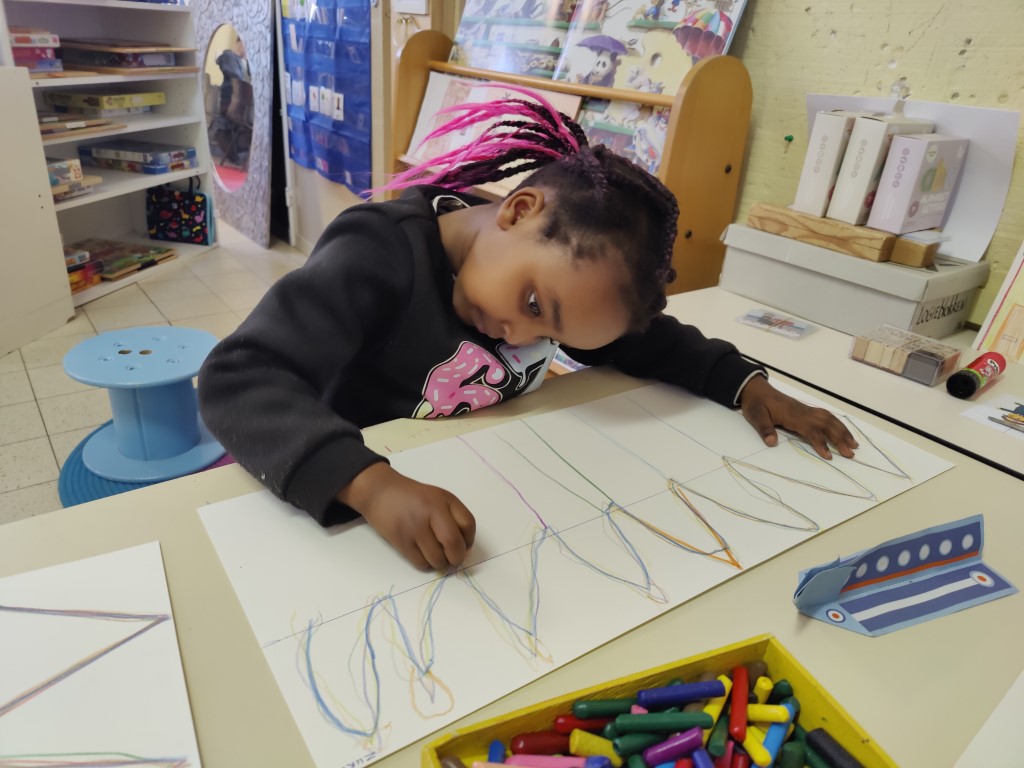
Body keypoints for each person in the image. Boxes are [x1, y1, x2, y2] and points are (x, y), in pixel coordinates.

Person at [197, 87, 858, 572]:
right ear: (517, 210)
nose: (520, 335)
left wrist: (746, 385)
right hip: (329, 494)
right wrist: (369, 484)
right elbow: (238, 377)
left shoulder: (558, 288)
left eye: (552, 330)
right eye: (535, 305)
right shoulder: (379, 254)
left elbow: (648, 341)